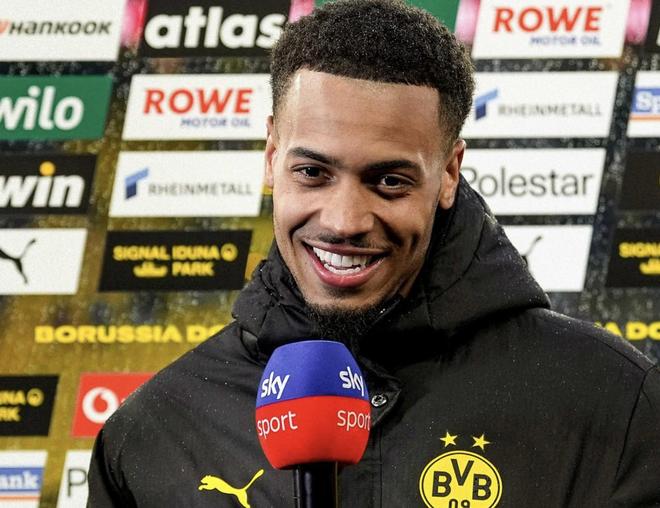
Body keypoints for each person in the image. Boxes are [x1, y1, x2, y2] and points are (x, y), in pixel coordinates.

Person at [87, 1, 660, 506]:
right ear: (271, 155)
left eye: (388, 181)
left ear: (449, 173)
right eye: (313, 172)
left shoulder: (615, 404)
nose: (343, 222)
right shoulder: (152, 433)